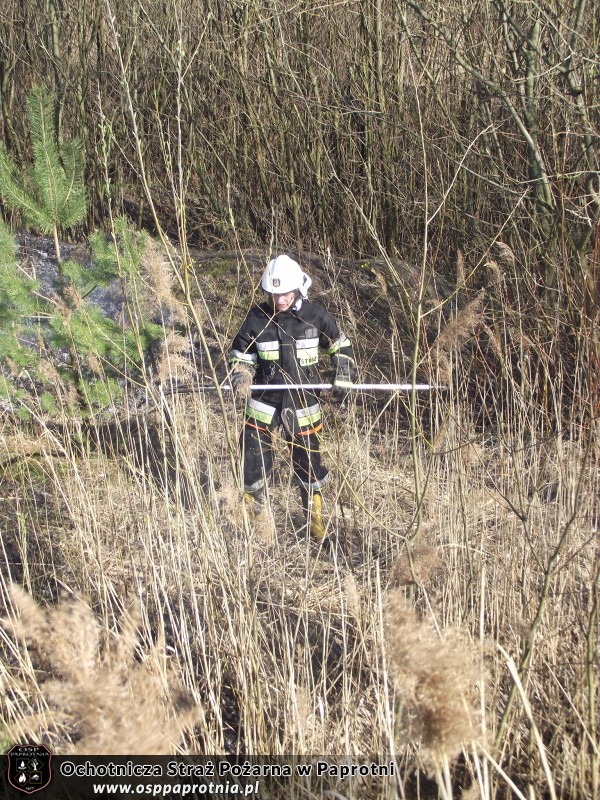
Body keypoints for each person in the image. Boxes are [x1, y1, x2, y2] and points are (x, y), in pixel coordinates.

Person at [228, 254, 356, 542]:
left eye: (285, 293)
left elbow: (340, 346)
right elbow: (241, 356)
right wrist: (241, 377)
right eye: (274, 294)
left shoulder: (316, 316)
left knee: (308, 464)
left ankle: (315, 522)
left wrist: (343, 373)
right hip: (263, 402)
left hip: (303, 403)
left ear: (297, 288)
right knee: (251, 459)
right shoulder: (256, 318)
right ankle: (256, 522)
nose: (280, 299)